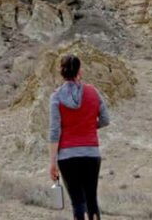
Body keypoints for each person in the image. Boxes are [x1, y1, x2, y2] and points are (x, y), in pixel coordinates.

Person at [49, 53, 110, 220]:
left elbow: (55, 131)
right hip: (91, 154)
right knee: (92, 199)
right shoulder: (93, 92)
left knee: (77, 202)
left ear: (61, 72)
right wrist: (90, 126)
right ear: (79, 71)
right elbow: (105, 120)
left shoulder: (56, 97)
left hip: (67, 156)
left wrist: (52, 162)